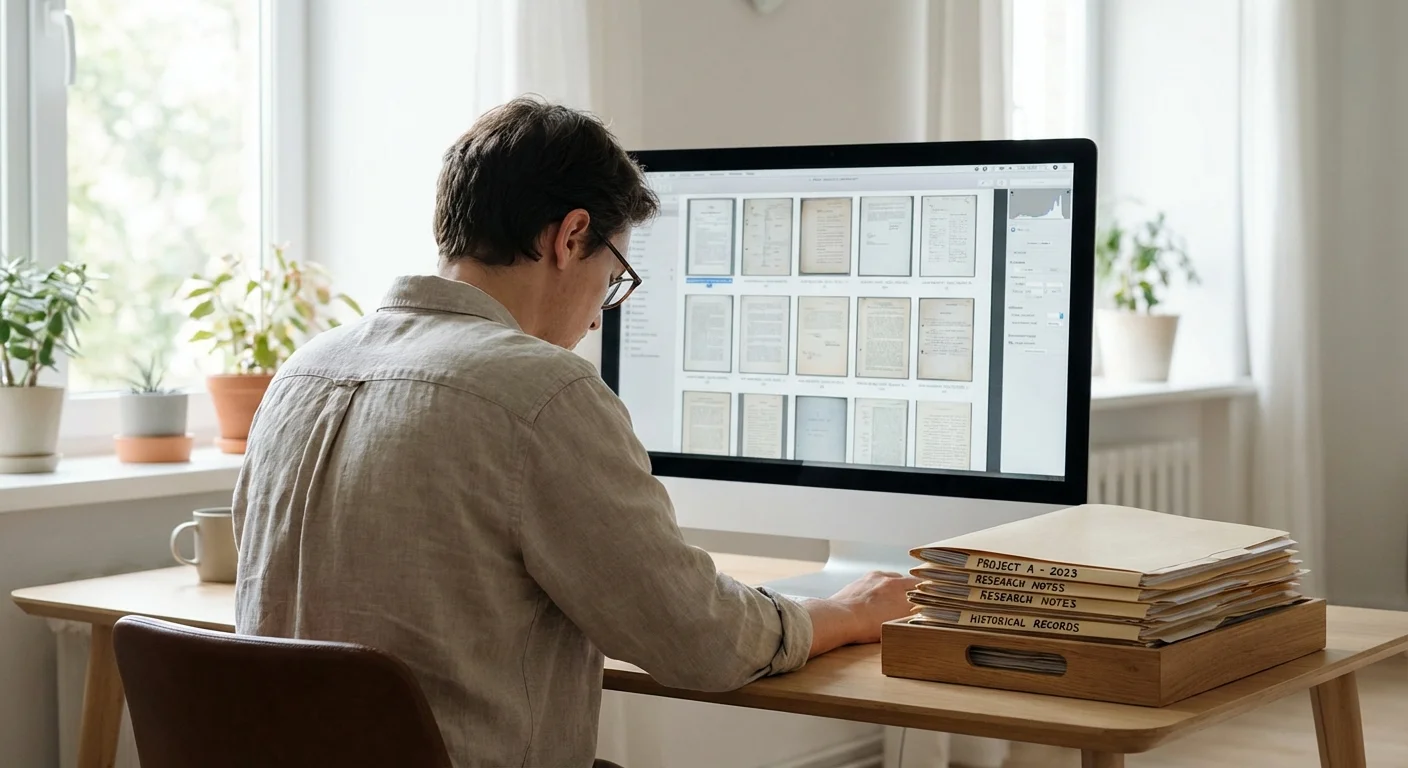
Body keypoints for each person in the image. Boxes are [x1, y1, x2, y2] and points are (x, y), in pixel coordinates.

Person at [232, 96, 918, 768]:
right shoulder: (540, 391)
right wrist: (845, 613)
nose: (597, 320)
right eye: (613, 276)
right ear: (569, 237)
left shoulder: (302, 372)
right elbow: (702, 642)